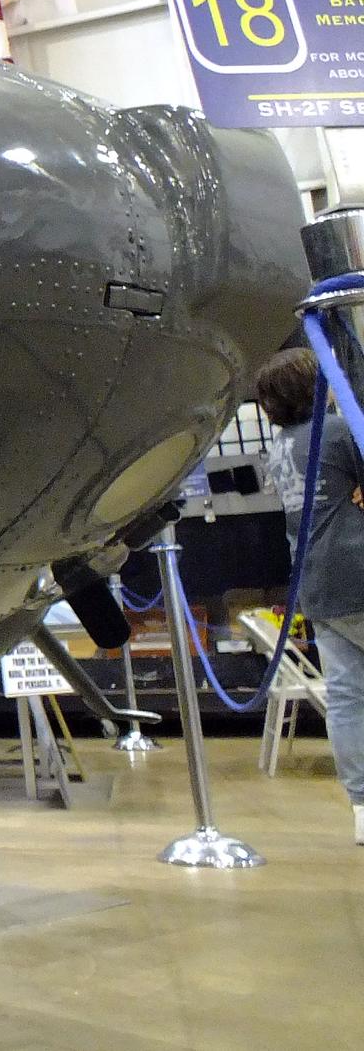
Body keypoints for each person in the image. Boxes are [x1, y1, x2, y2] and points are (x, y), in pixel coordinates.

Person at [257, 346, 364, 843]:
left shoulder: (277, 449)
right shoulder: (339, 433)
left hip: (314, 582)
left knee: (346, 697)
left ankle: (362, 806)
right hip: (357, 569)